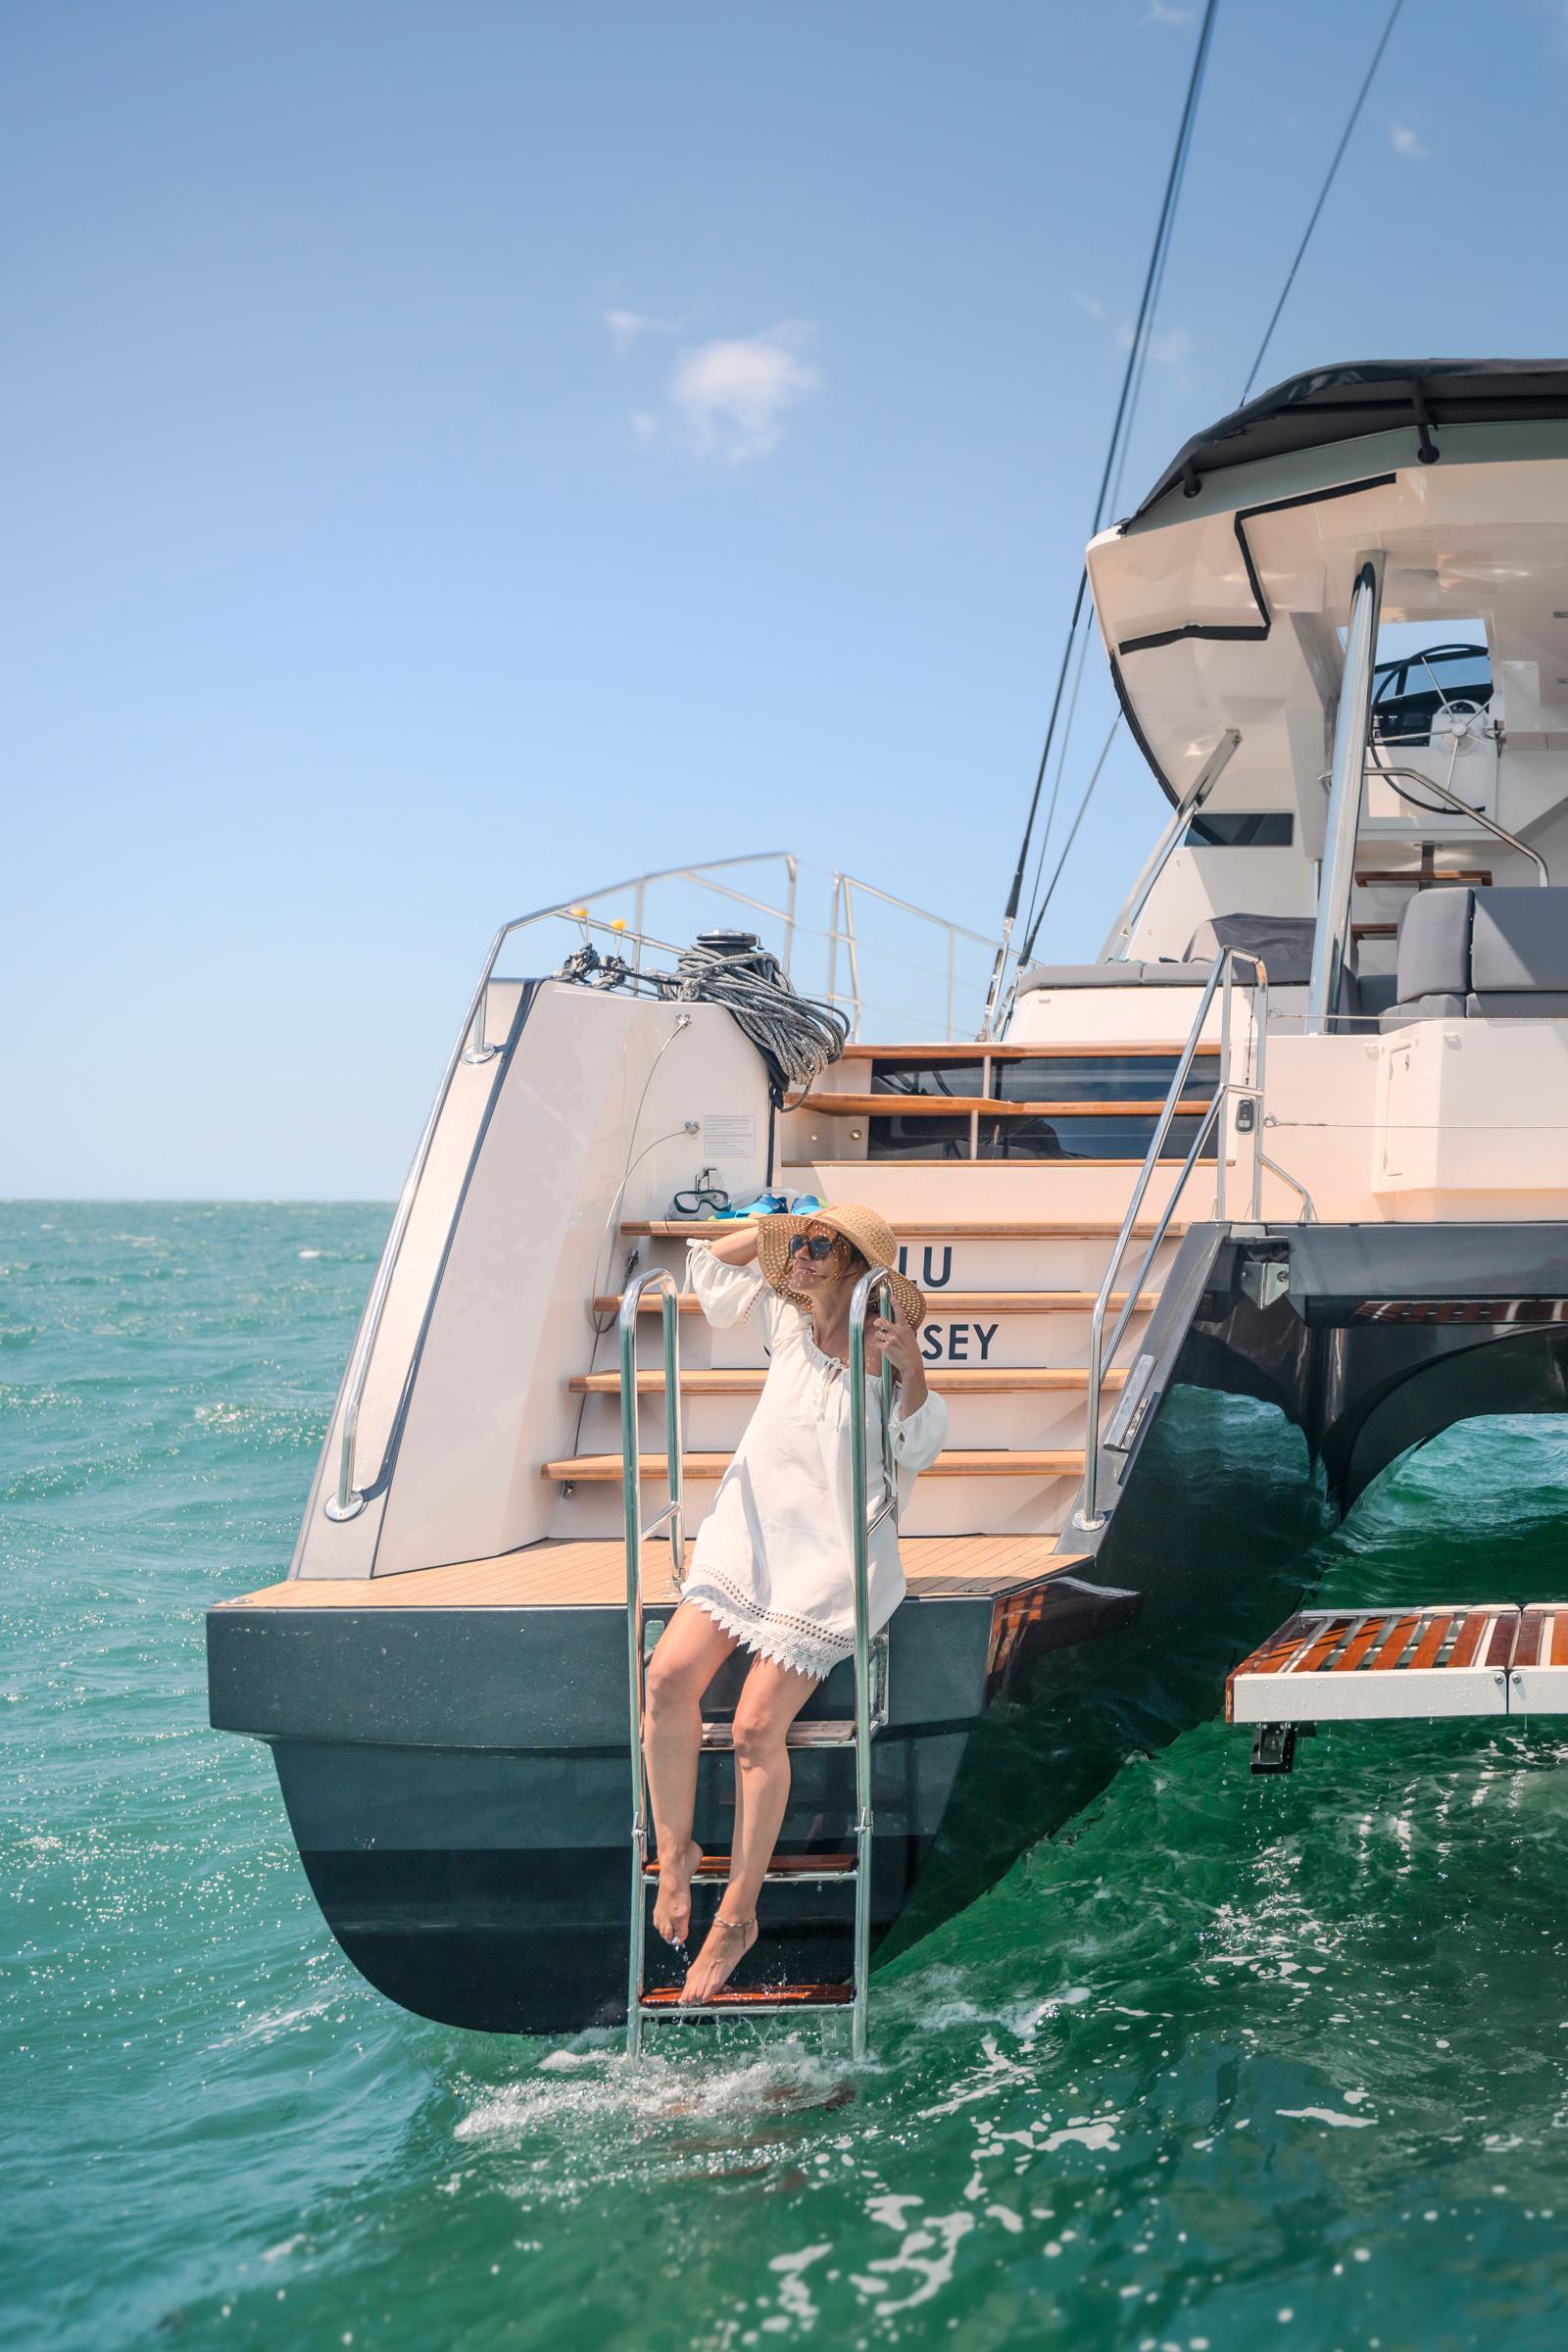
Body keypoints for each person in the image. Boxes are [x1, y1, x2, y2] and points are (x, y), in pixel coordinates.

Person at [641, 1203, 948, 2004]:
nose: (801, 1260)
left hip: (833, 1557)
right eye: (799, 1250)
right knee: (667, 1679)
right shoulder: (782, 1322)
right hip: (751, 1536)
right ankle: (676, 1857)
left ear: (856, 1268)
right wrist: (789, 1223)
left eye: (820, 1250)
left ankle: (738, 1912)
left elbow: (921, 1446)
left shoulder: (883, 1354)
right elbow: (707, 1264)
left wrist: (910, 1367)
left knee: (751, 1725)